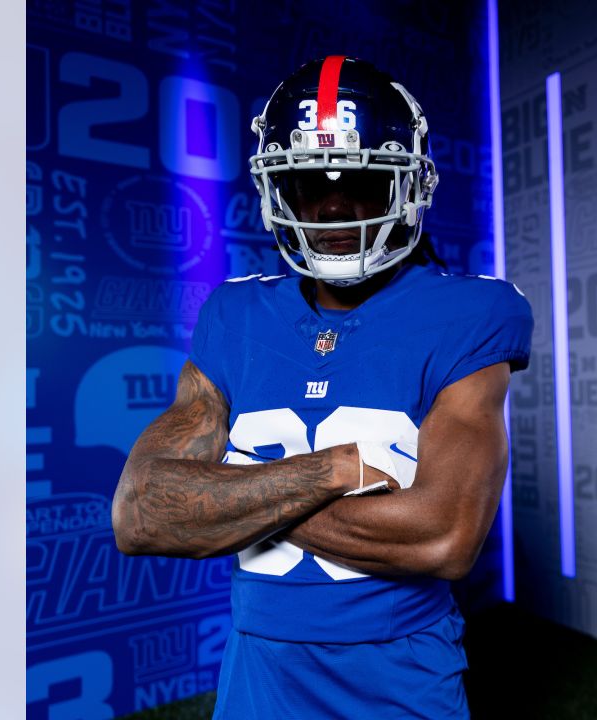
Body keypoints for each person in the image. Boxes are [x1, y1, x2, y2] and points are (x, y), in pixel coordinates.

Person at [110, 55, 533, 719]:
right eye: (310, 183)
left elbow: (443, 536)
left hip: (400, 676)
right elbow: (143, 514)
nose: (335, 206)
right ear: (276, 191)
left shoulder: (472, 312)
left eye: (361, 183)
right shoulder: (233, 312)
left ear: (410, 186)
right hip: (259, 677)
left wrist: (238, 493)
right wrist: (333, 470)